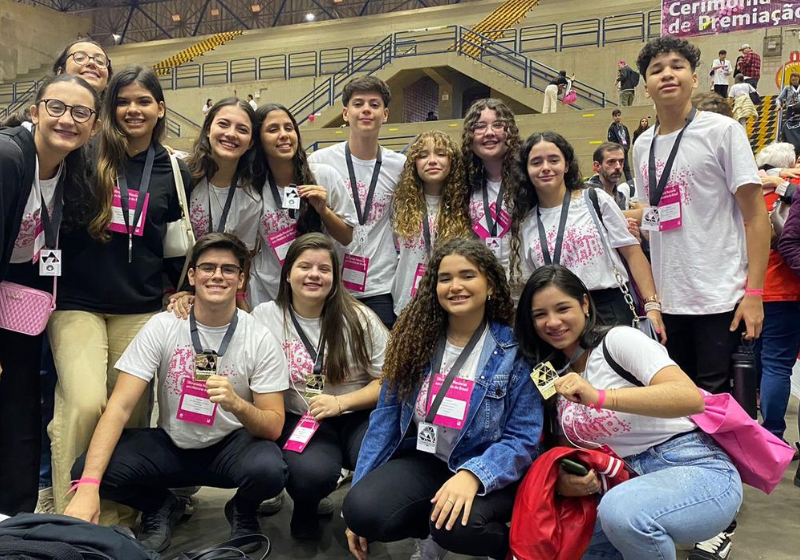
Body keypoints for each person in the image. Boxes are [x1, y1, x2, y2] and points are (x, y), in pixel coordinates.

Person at [64, 233, 289, 552]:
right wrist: (88, 486)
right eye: (208, 267)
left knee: (270, 470)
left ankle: (242, 509)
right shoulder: (163, 325)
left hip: (229, 447)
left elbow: (273, 424)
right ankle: (160, 505)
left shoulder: (259, 337)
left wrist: (237, 404)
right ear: (193, 275)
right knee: (87, 470)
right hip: (171, 444)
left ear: (241, 279)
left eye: (228, 269)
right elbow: (120, 406)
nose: (217, 276)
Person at [633, 36, 769, 560]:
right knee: (679, 411)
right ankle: (693, 496)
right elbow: (660, 213)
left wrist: (753, 293)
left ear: (694, 76)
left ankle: (724, 511)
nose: (667, 75)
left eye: (677, 66)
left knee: (722, 410)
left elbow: (755, 217)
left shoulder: (723, 130)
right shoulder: (644, 145)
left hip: (719, 296)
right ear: (645, 83)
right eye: (657, 69)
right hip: (670, 302)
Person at [515, 265, 743, 560]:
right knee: (561, 546)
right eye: (540, 315)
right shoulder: (549, 373)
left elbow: (689, 398)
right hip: (619, 482)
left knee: (622, 512)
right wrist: (564, 478)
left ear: (585, 304)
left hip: (692, 467)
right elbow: (562, 445)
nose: (553, 322)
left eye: (562, 308)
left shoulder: (618, 341)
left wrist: (600, 396)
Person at [48, 67, 194, 520]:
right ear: (110, 110)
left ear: (160, 109)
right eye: (124, 101)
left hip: (141, 306)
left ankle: (117, 516)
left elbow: (175, 244)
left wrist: (183, 290)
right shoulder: (84, 157)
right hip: (77, 302)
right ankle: (70, 512)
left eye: (143, 101)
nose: (133, 109)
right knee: (84, 403)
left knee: (128, 415)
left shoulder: (173, 169)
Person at [342, 238, 542, 560]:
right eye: (445, 278)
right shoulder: (415, 342)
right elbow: (385, 419)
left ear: (489, 284)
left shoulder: (515, 350)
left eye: (467, 276)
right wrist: (356, 495)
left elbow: (522, 439)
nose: (455, 286)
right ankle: (431, 531)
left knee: (457, 528)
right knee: (362, 509)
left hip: (490, 466)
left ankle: (506, 548)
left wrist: (474, 474)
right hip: (430, 457)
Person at [0, 74, 100, 516]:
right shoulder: (8, 158)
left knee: (21, 407)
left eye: (81, 113)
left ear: (94, 126)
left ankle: (17, 515)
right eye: (57, 107)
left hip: (19, 302)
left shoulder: (67, 170)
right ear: (35, 110)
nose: (67, 120)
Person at [250, 233, 389, 540]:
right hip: (302, 418)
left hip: (356, 414)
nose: (314, 274)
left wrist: (341, 403)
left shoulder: (359, 318)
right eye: (305, 267)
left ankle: (362, 517)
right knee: (310, 475)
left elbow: (390, 381)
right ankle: (307, 503)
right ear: (288, 274)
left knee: (379, 455)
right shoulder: (264, 317)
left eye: (324, 269)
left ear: (334, 278)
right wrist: (186, 298)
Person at [519, 131, 663, 334]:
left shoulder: (595, 199)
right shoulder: (527, 223)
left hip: (609, 307)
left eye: (553, 160)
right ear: (526, 169)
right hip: (558, 317)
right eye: (536, 162)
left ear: (566, 165)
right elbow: (529, 282)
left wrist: (652, 306)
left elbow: (632, 253)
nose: (545, 168)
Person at [308, 76, 405, 329]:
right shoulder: (320, 161)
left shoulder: (399, 166)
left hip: (380, 284)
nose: (365, 110)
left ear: (384, 115)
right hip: (330, 281)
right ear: (345, 113)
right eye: (358, 103)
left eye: (374, 105)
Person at [249, 103, 357, 306]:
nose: (283, 135)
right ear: (258, 140)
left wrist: (323, 210)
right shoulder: (253, 186)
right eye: (273, 130)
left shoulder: (324, 175)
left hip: (316, 292)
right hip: (268, 292)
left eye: (289, 128)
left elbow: (346, 237)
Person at [391, 131, 471, 316]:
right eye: (423, 155)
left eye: (441, 154)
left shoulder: (465, 206)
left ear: (453, 161)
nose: (432, 160)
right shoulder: (399, 204)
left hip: (452, 300)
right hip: (407, 302)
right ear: (413, 163)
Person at [753, 143, 800, 444]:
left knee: (762, 362)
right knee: (778, 365)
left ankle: (763, 435)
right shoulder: (793, 186)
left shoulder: (753, 189)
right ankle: (773, 435)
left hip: (755, 289)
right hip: (788, 288)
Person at [462, 98, 525, 288]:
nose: (489, 133)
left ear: (511, 132)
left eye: (498, 125)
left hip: (525, 288)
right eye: (480, 126)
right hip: (482, 288)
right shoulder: (464, 184)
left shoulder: (529, 179)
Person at [187, 98, 261, 255]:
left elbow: (244, 257)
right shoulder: (181, 174)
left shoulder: (251, 201)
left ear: (250, 143)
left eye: (242, 130)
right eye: (223, 124)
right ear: (208, 129)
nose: (231, 134)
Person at [588, 142, 634, 210]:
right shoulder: (585, 194)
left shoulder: (621, 197)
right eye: (611, 162)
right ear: (597, 166)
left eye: (621, 161)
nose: (618, 167)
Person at [606, 109, 632, 181]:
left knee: (627, 169)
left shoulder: (624, 127)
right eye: (615, 116)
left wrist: (626, 148)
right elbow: (611, 140)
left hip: (624, 151)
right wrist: (617, 149)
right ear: (613, 117)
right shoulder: (612, 128)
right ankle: (614, 185)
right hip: (617, 152)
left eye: (618, 115)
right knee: (616, 169)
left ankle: (631, 185)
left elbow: (628, 139)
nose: (617, 117)